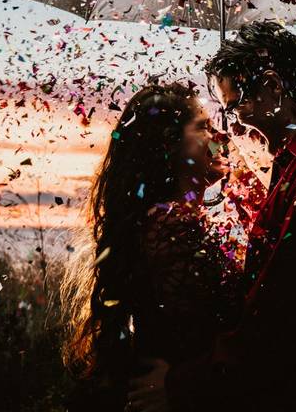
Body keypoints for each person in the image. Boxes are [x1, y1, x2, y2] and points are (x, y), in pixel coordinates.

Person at [129, 21, 296, 412]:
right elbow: (272, 256)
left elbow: (282, 318)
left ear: (273, 88)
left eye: (236, 104)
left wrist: (181, 386)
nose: (235, 121)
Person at [60, 82, 241, 411]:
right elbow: (207, 333)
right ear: (169, 145)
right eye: (204, 127)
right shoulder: (173, 227)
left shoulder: (164, 220)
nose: (222, 138)